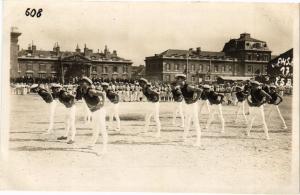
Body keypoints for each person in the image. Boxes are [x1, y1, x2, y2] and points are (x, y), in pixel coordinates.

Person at [79, 77, 107, 153]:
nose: (81, 83)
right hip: (94, 112)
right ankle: (91, 144)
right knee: (95, 129)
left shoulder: (90, 91)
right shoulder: (83, 91)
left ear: (87, 83)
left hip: (99, 111)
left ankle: (104, 148)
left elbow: (103, 93)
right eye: (81, 82)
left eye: (83, 82)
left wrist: (103, 103)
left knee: (102, 129)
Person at [175, 74, 202, 146]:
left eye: (180, 80)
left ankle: (198, 141)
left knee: (195, 122)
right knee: (187, 122)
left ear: (184, 80)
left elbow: (200, 90)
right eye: (178, 80)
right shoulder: (181, 87)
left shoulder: (188, 87)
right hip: (188, 106)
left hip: (193, 106)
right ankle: (184, 137)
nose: (178, 81)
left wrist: (195, 100)